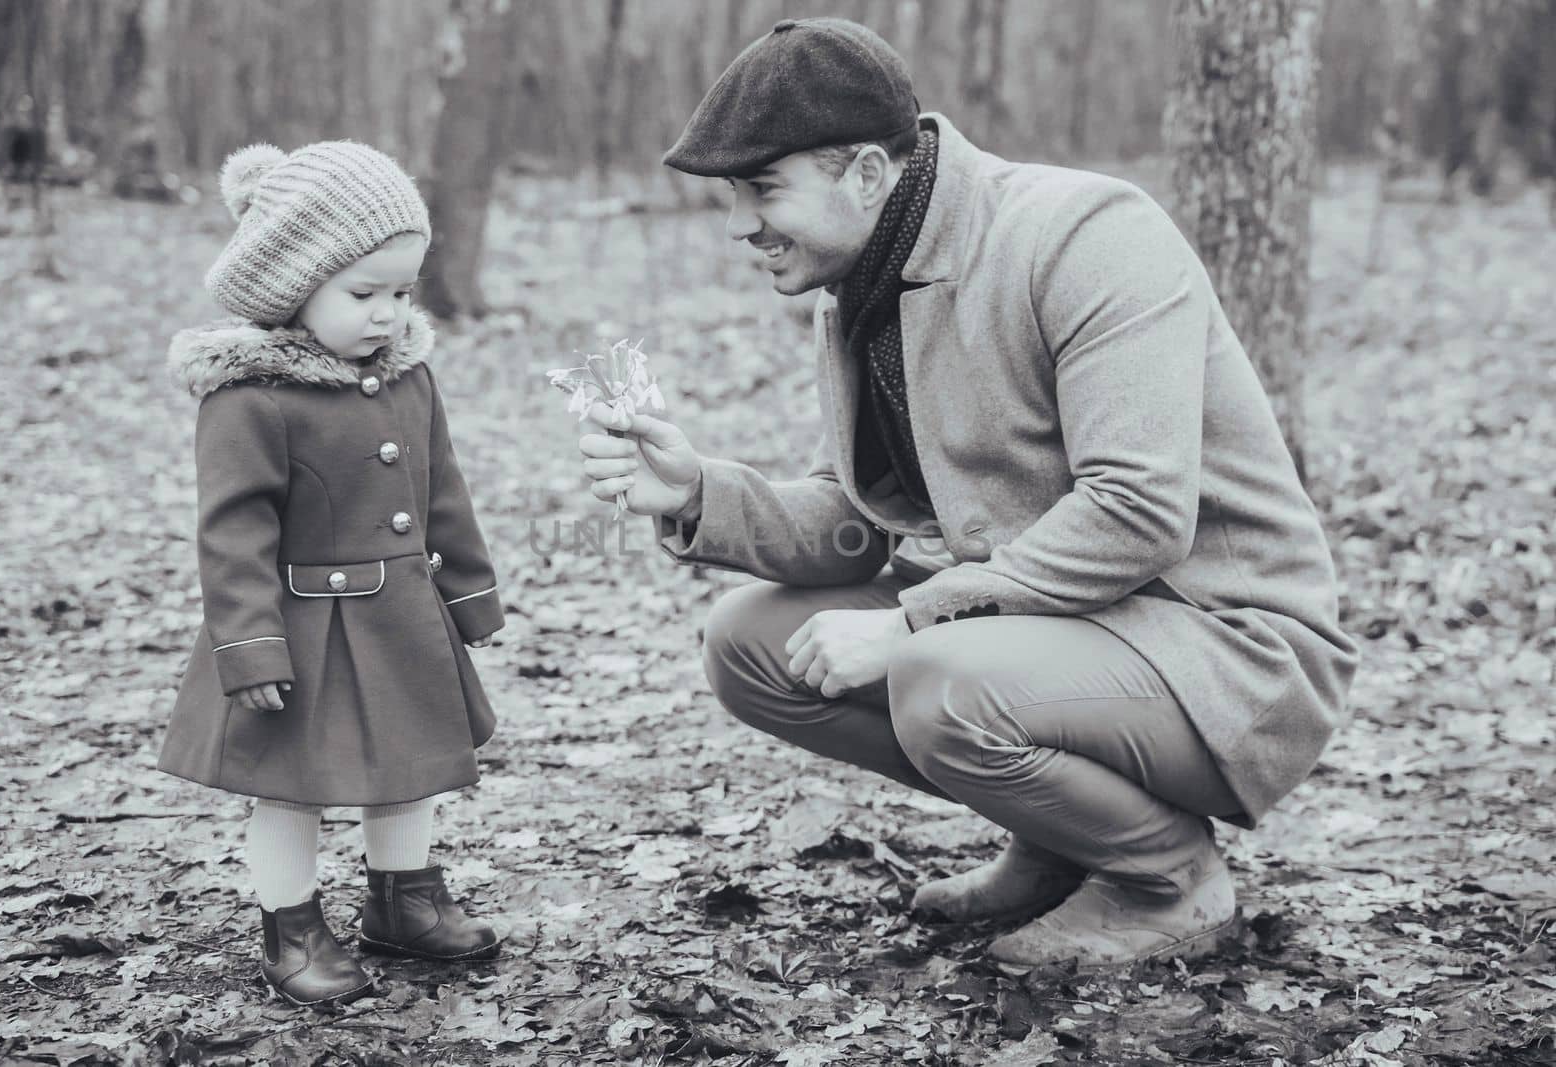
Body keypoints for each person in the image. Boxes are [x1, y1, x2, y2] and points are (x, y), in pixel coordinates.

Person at [577, 17, 1358, 971]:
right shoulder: (863, 283)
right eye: (734, 194)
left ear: (867, 173)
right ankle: (1068, 838)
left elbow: (1139, 511)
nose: (740, 223)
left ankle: (1167, 880)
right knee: (749, 643)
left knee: (938, 681)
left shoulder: (1085, 234)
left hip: (1223, 649)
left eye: (763, 189)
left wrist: (912, 624)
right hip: (1062, 636)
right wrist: (700, 492)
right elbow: (857, 523)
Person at [159, 141, 507, 1006]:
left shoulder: (408, 379)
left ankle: (406, 897)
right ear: (291, 284)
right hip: (302, 627)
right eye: (363, 294)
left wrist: (469, 593)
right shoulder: (250, 398)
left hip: (402, 617)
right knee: (292, 785)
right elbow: (231, 531)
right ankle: (293, 924)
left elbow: (442, 492)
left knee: (416, 759)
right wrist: (250, 646)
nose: (387, 314)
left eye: (401, 292)